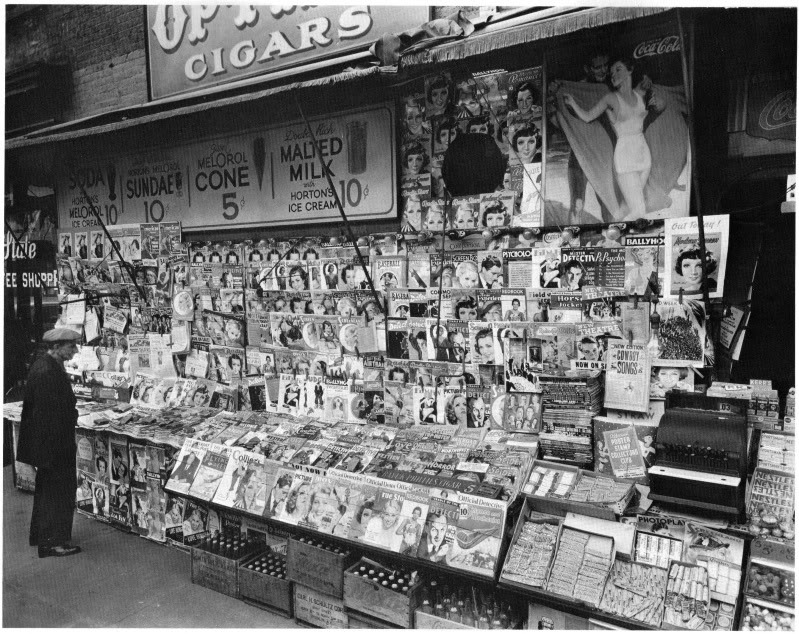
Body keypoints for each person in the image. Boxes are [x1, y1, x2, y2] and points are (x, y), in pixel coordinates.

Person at [563, 56, 663, 220]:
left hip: (643, 156)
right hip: (622, 158)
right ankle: (619, 237)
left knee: (624, 207)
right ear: (589, 69)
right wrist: (573, 103)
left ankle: (613, 234)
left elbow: (655, 97)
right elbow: (588, 116)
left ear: (630, 70)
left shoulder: (638, 93)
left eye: (613, 69)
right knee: (638, 210)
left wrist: (651, 89)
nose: (608, 73)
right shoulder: (607, 96)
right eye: (599, 68)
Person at [17, 328, 83, 557]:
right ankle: (55, 543)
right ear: (56, 347)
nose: (75, 350)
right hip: (54, 445)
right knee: (60, 492)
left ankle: (42, 537)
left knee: (47, 491)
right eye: (71, 346)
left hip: (48, 444)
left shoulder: (45, 365)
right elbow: (49, 414)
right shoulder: (47, 372)